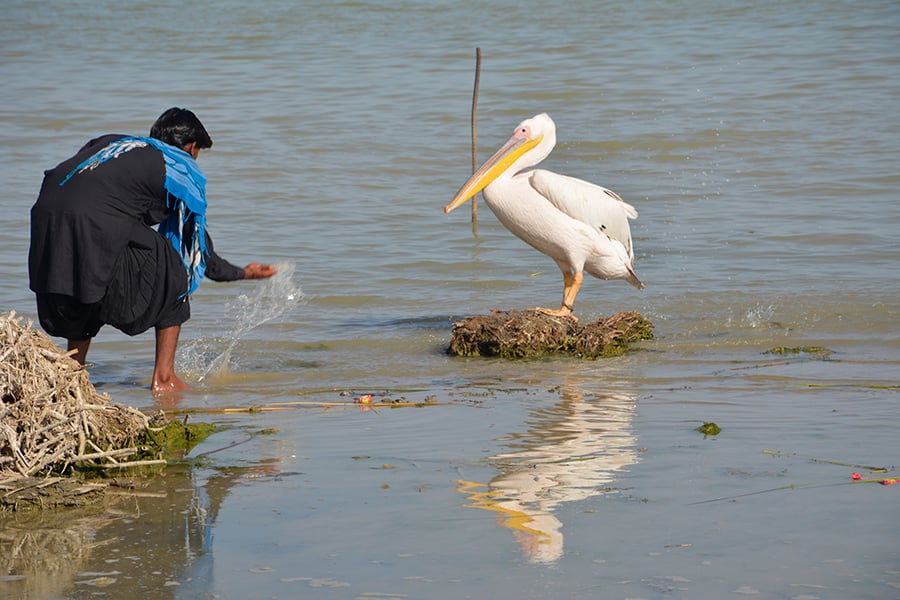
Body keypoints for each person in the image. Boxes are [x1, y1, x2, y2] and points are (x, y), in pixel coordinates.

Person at [28, 108, 277, 392]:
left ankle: (73, 375)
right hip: (93, 225)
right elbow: (196, 248)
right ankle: (165, 378)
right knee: (174, 267)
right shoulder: (177, 165)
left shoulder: (111, 143)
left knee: (91, 276)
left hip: (46, 228)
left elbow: (84, 191)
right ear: (192, 147)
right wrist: (242, 273)